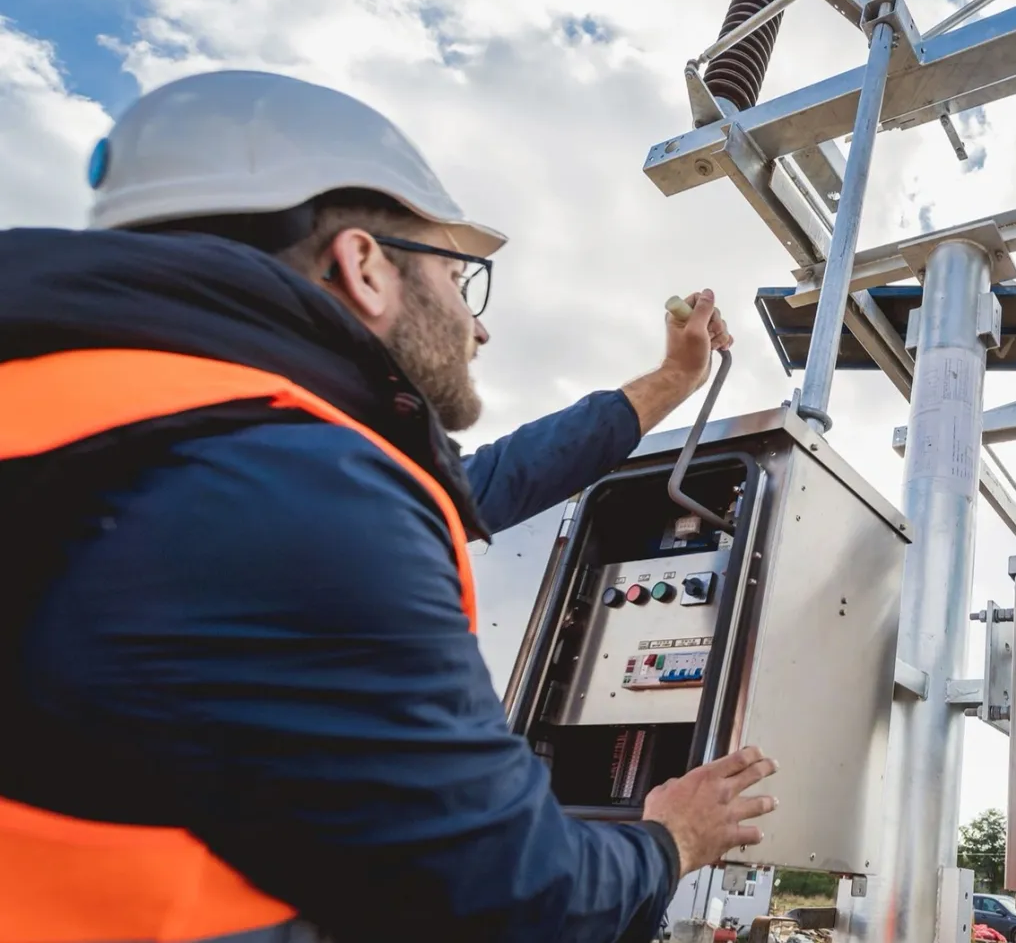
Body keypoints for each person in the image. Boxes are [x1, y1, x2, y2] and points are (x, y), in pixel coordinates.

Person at [0, 70, 776, 942]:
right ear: (364, 264)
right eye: (461, 278)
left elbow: (477, 485)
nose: (477, 327)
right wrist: (670, 840)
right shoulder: (295, 489)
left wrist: (671, 382)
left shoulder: (131, 421)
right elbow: (508, 898)